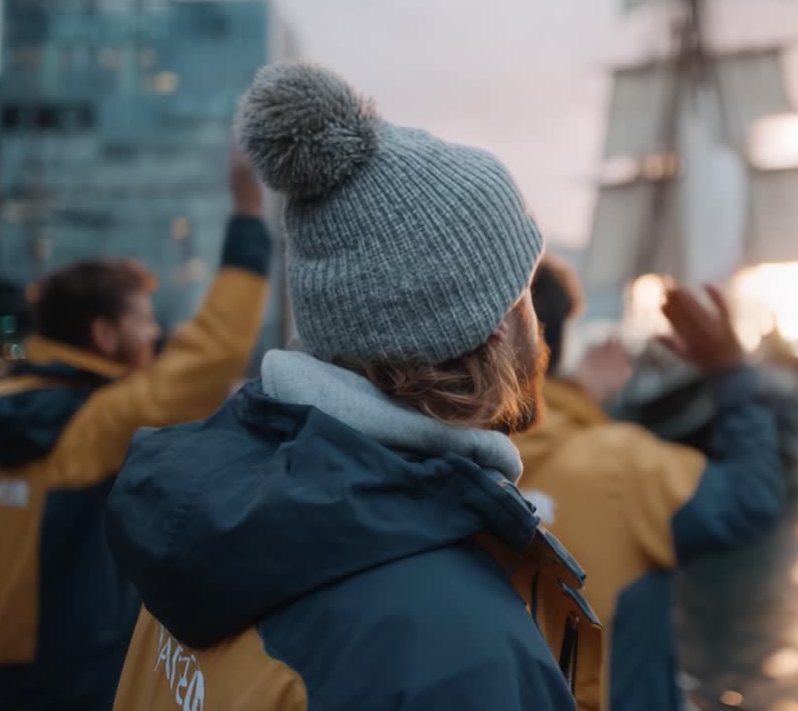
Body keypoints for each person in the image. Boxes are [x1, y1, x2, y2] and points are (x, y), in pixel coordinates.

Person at [108, 62, 602, 711]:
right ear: (488, 331)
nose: (537, 326)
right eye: (522, 294)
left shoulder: (198, 528)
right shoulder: (458, 654)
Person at [0, 155, 273, 710]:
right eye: (143, 319)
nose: (156, 331)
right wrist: (247, 219)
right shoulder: (91, 426)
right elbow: (211, 357)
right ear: (104, 334)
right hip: (66, 690)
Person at [515, 257, 784, 711]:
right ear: (557, 339)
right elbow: (752, 497)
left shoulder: (431, 466)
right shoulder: (623, 467)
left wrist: (575, 398)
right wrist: (732, 373)